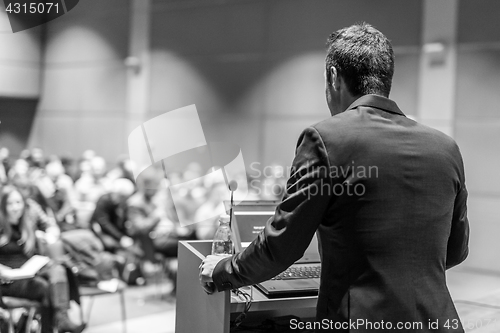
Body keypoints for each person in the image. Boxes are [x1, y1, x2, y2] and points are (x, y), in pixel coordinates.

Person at [200, 23, 469, 332]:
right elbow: (456, 250)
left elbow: (283, 245)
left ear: (332, 76)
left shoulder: (325, 139)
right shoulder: (446, 148)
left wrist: (223, 269)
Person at [0, 186, 85, 333]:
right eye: (10, 203)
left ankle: (59, 319)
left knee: (58, 268)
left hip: (28, 272)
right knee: (45, 287)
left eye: (18, 202)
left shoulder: (26, 225)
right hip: (7, 279)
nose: (15, 208)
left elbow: (35, 249)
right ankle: (56, 323)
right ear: (3, 205)